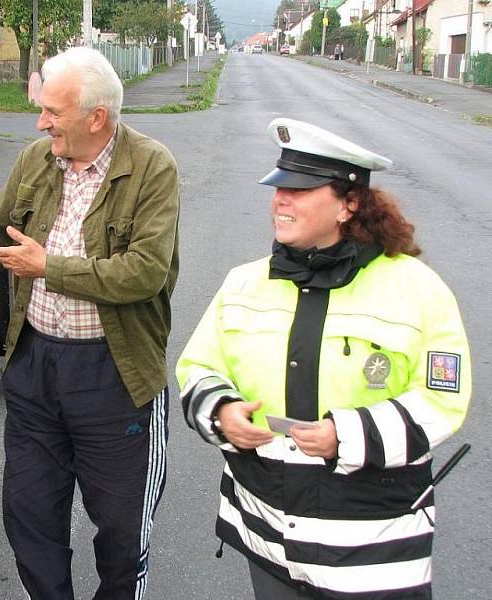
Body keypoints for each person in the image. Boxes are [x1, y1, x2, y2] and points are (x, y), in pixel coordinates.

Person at [0, 46, 179, 600]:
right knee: (29, 518)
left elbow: (145, 273)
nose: (41, 122)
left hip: (115, 375)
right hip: (36, 364)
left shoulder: (151, 166)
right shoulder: (37, 162)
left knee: (121, 530)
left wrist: (50, 267)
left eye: (53, 112)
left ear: (97, 117)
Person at [176, 118, 471, 599]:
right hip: (268, 530)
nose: (281, 200)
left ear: (349, 203)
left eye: (300, 189)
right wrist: (222, 412)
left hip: (370, 546)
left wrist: (345, 435)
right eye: (278, 188)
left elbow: (442, 401)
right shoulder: (244, 282)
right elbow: (199, 367)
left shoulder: (418, 290)